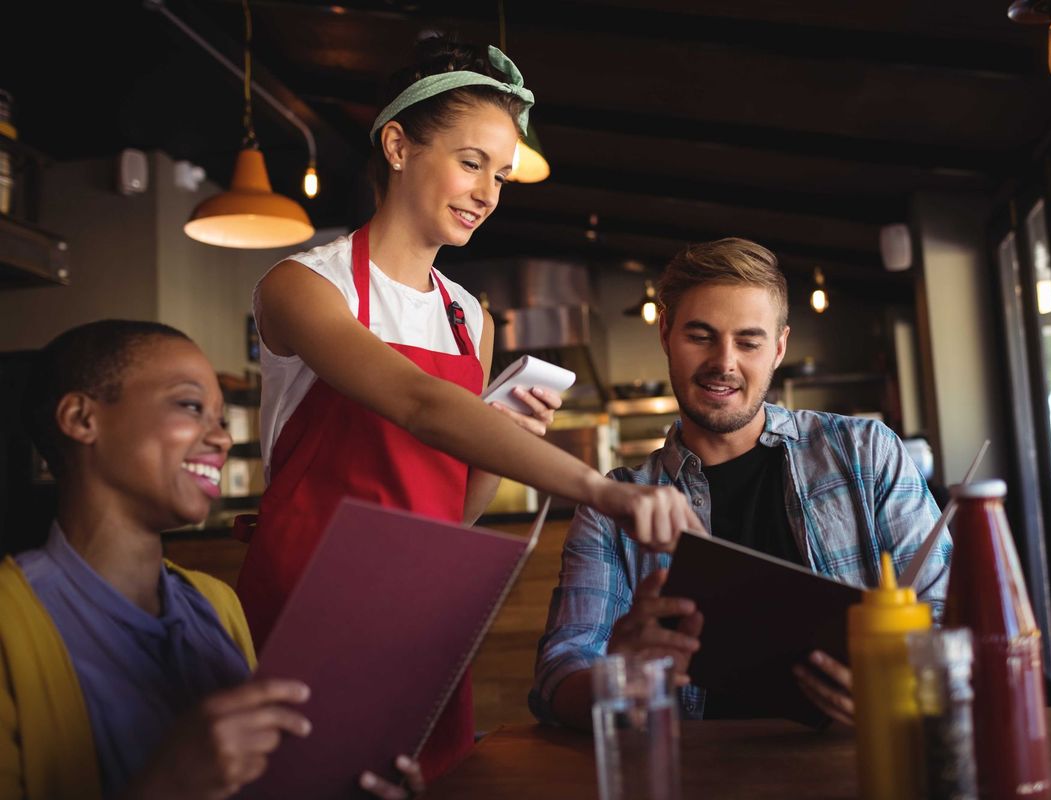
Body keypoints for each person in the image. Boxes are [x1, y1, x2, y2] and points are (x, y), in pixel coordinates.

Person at [235, 36, 702, 780]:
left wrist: (503, 430)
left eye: (503, 174)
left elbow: (457, 508)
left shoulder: (468, 317)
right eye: (470, 161)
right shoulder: (305, 287)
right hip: (311, 600)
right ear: (397, 144)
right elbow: (420, 405)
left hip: (423, 611)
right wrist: (598, 488)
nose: (489, 192)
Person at [530, 239, 953, 730]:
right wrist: (618, 678)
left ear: (778, 348)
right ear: (665, 332)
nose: (724, 362)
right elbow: (559, 675)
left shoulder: (866, 454)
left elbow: (947, 615)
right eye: (701, 336)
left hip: (866, 762)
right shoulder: (613, 505)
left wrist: (892, 685)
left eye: (748, 342)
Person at [0, 321, 423, 800]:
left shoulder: (217, 603)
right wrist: (169, 786)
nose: (220, 438)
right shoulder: (10, 623)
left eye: (220, 418)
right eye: (190, 406)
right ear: (81, 418)